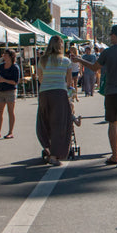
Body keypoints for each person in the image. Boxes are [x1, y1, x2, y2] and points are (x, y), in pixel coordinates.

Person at [76, 24, 117, 167]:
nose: (110, 37)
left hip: (112, 92)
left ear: (114, 35)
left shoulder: (107, 52)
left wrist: (79, 60)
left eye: (111, 35)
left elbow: (95, 68)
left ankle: (114, 155)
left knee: (113, 124)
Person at [34, 35, 74, 165]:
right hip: (59, 93)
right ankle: (54, 155)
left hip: (44, 93)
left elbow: (40, 78)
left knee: (44, 121)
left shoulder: (42, 60)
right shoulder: (66, 61)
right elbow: (69, 81)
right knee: (59, 124)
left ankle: (47, 146)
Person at [0, 48, 21, 139]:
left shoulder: (15, 67)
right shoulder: (1, 66)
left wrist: (4, 80)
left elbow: (15, 82)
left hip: (10, 91)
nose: (3, 56)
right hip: (1, 91)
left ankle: (10, 132)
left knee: (10, 111)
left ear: (10, 56)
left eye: (5, 54)